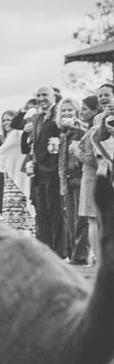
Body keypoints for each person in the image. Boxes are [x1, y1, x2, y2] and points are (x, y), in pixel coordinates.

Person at [10, 86, 66, 257]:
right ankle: (45, 252)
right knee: (41, 213)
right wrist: (25, 122)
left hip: (53, 171)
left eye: (45, 95)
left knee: (55, 213)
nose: (41, 98)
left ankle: (61, 252)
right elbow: (24, 146)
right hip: (38, 172)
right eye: (38, 95)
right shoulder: (38, 117)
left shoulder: (59, 115)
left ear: (54, 97)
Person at [55, 97, 88, 265]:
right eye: (64, 110)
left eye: (70, 110)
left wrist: (79, 127)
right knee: (70, 220)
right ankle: (76, 254)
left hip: (80, 178)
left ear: (76, 112)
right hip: (66, 180)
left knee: (80, 218)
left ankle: (81, 256)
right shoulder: (63, 133)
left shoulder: (81, 130)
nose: (67, 113)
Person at [73, 95, 100, 264]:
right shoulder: (91, 130)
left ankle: (98, 258)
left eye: (84, 109)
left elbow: (91, 159)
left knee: (93, 221)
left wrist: (76, 150)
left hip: (91, 178)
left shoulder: (94, 131)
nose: (81, 113)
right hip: (94, 177)